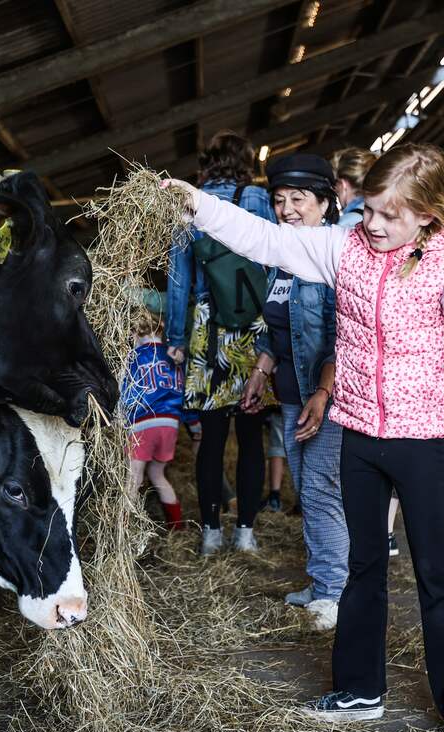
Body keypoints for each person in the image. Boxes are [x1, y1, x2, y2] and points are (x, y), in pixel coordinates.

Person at [163, 143, 444, 732]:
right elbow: (267, 241)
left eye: (390, 216)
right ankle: (359, 689)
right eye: (370, 210)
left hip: (419, 441)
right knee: (363, 566)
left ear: (428, 217)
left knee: (435, 571)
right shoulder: (343, 249)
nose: (373, 225)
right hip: (359, 436)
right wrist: (197, 205)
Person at [240, 153, 348, 631]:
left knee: (322, 490)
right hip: (290, 393)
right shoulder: (282, 261)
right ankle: (323, 580)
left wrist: (322, 395)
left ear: (326, 204)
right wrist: (261, 369)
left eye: (298, 200)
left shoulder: (331, 262)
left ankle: (334, 591)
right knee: (306, 487)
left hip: (324, 397)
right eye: (280, 200)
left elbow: (343, 339)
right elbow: (275, 329)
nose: (287, 209)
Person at [165, 130, 278, 555]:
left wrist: (175, 338)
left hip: (208, 331)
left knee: (211, 441)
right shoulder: (259, 198)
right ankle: (245, 531)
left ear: (208, 162)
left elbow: (179, 279)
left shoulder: (188, 201)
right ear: (246, 162)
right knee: (251, 439)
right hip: (252, 330)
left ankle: (210, 531)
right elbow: (274, 260)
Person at [123, 308, 185, 531]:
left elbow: (126, 392)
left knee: (134, 477)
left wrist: (122, 420)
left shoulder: (135, 357)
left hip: (143, 423)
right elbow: (182, 389)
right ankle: (177, 527)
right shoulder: (173, 355)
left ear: (136, 333)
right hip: (170, 424)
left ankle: (123, 530)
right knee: (157, 474)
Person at [332, 146, 376, 227]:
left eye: (335, 185)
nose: (335, 190)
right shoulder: (379, 213)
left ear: (343, 184)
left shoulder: (344, 225)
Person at [264, 409, 286, 512]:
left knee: (277, 446)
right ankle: (302, 500)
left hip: (284, 403)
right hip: (309, 402)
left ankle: (274, 496)